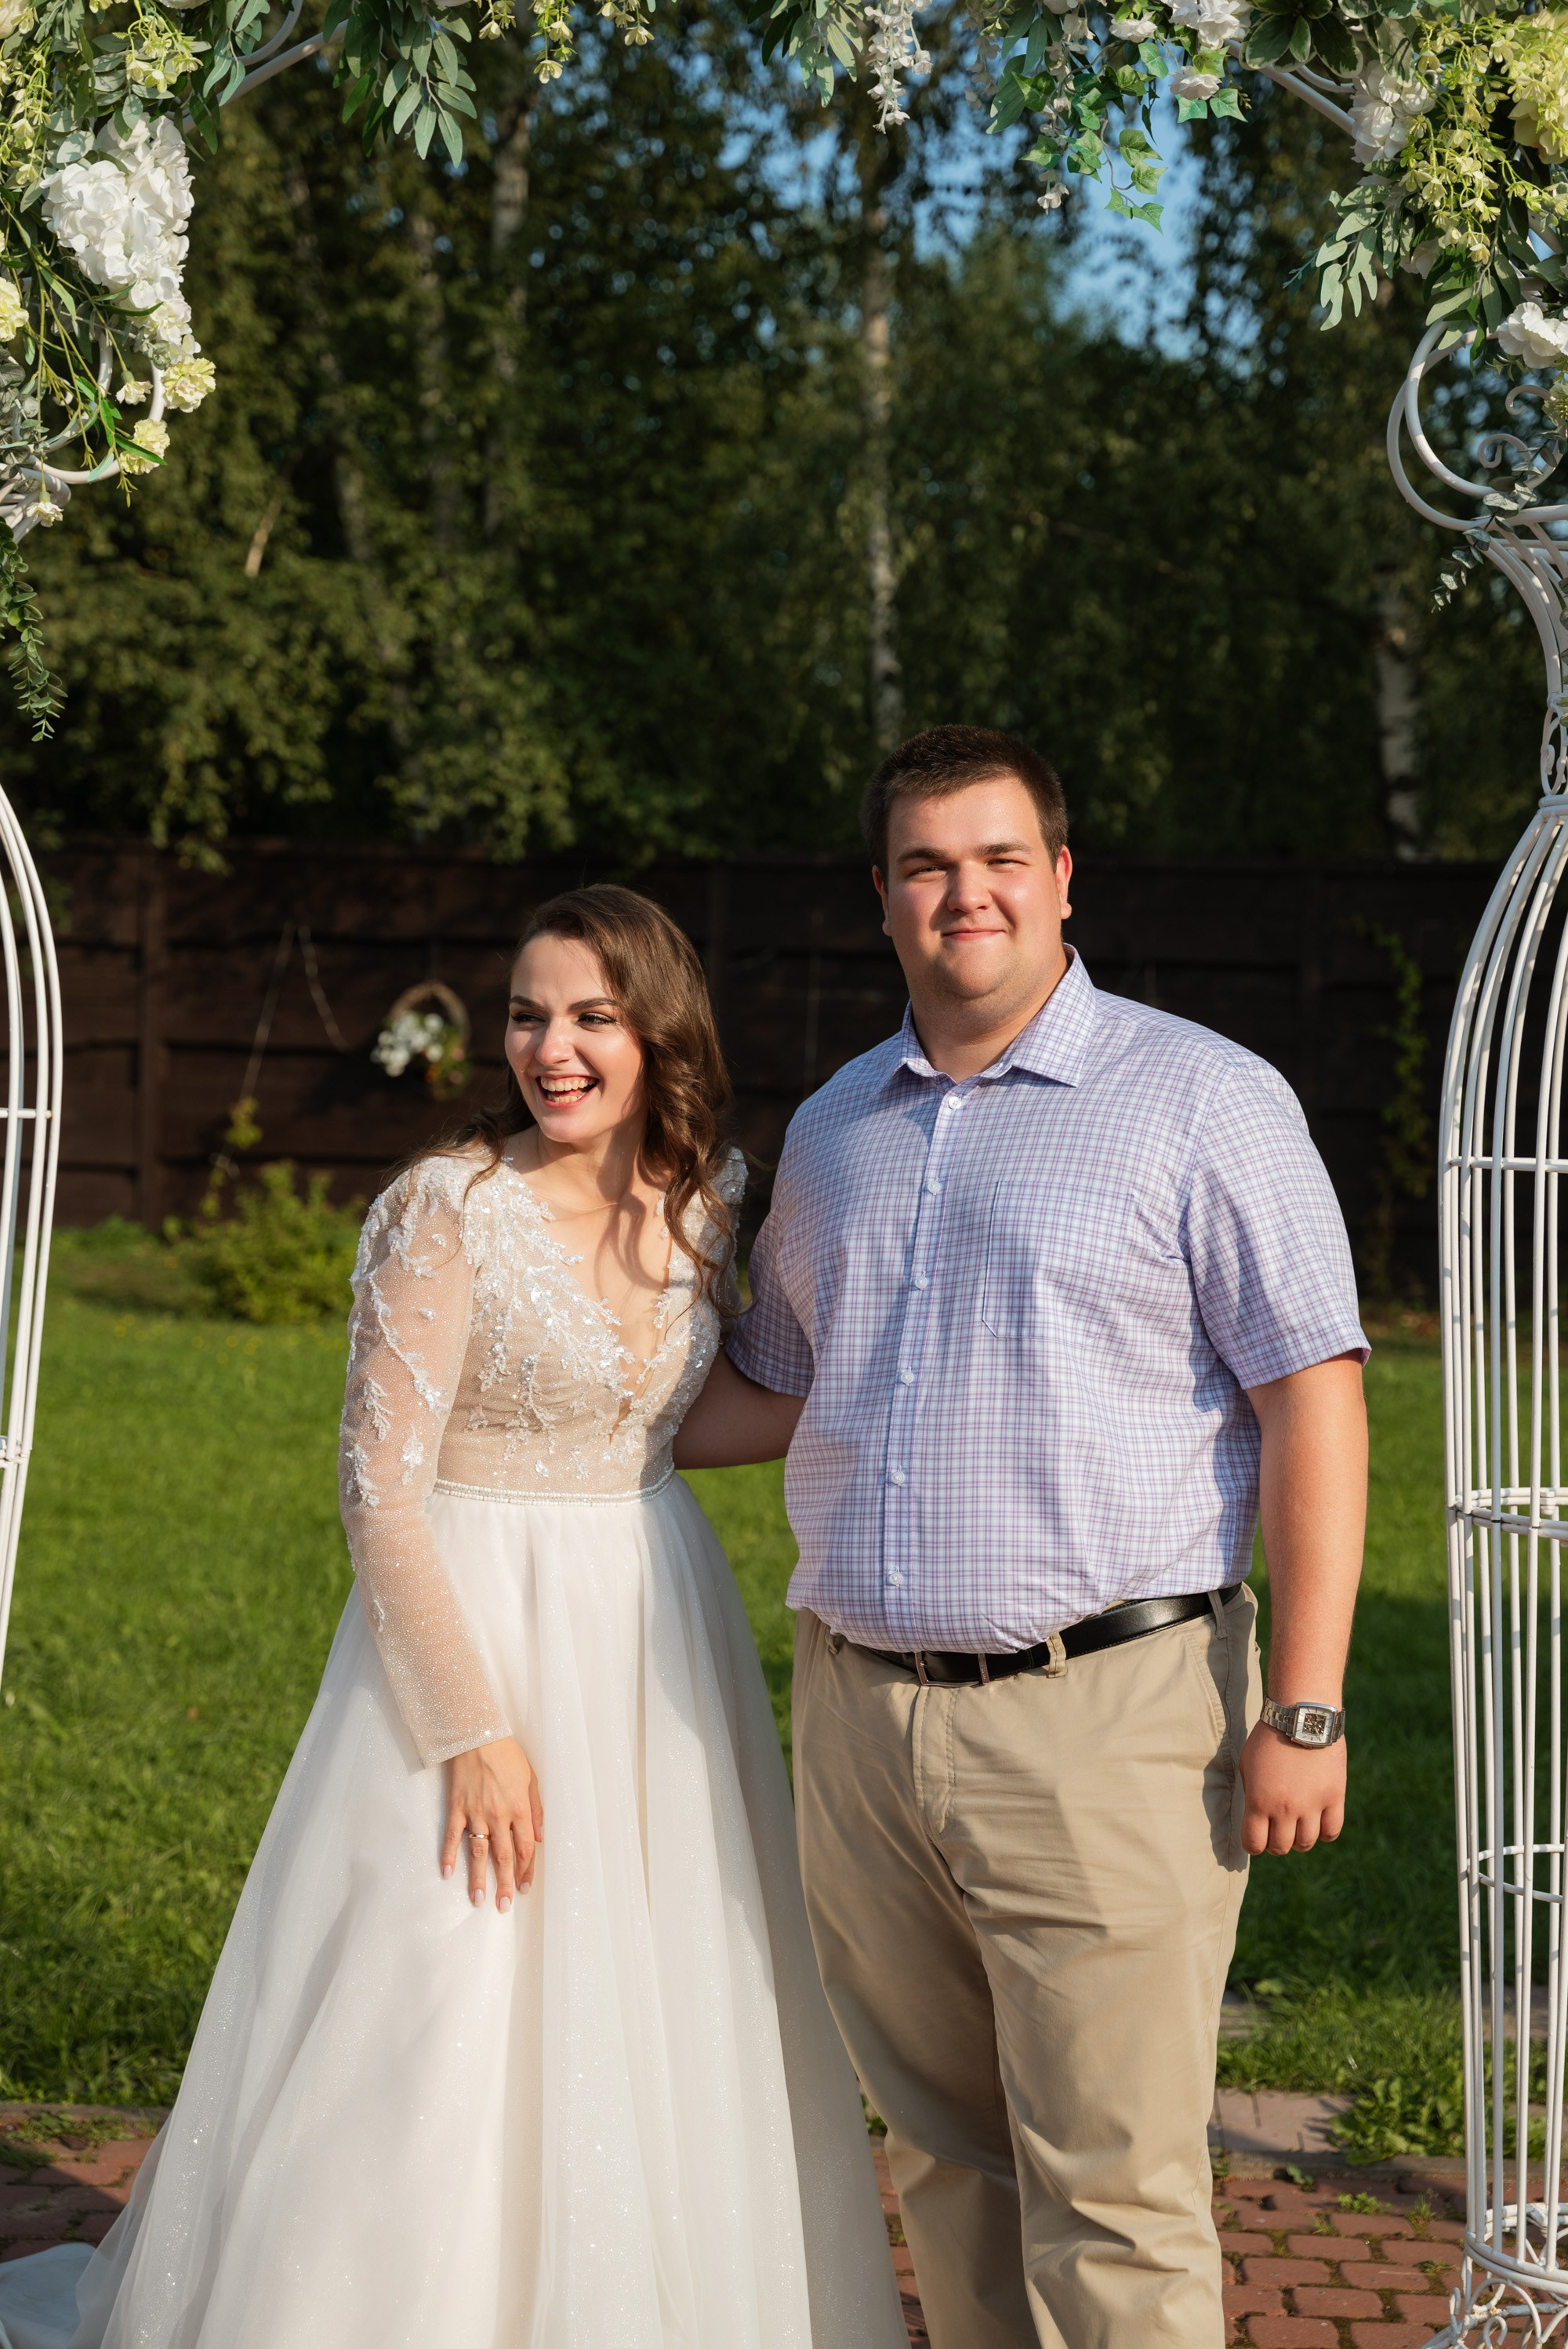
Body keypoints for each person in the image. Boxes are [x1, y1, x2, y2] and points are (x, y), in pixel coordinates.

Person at [0, 884, 906, 2349]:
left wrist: (866, 1383)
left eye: (592, 1018)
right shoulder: (447, 1210)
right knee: (442, 1997)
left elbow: (679, 1419)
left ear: (655, 1029)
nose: (553, 1049)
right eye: (530, 1014)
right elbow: (380, 1497)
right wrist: (473, 1731)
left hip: (647, 1622)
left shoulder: (703, 1197)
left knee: (664, 1991)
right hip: (472, 1628)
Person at [674, 726, 1370, 2349]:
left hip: (1108, 1718)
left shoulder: (1203, 1100)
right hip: (860, 1722)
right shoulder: (839, 1128)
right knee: (947, 2158)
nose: (962, 892)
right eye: (926, 864)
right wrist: (530, 1406)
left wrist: (1309, 1704)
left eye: (998, 859)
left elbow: (1316, 1400)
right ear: (882, 897)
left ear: (1063, 879)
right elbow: (769, 1384)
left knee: (1114, 2191)